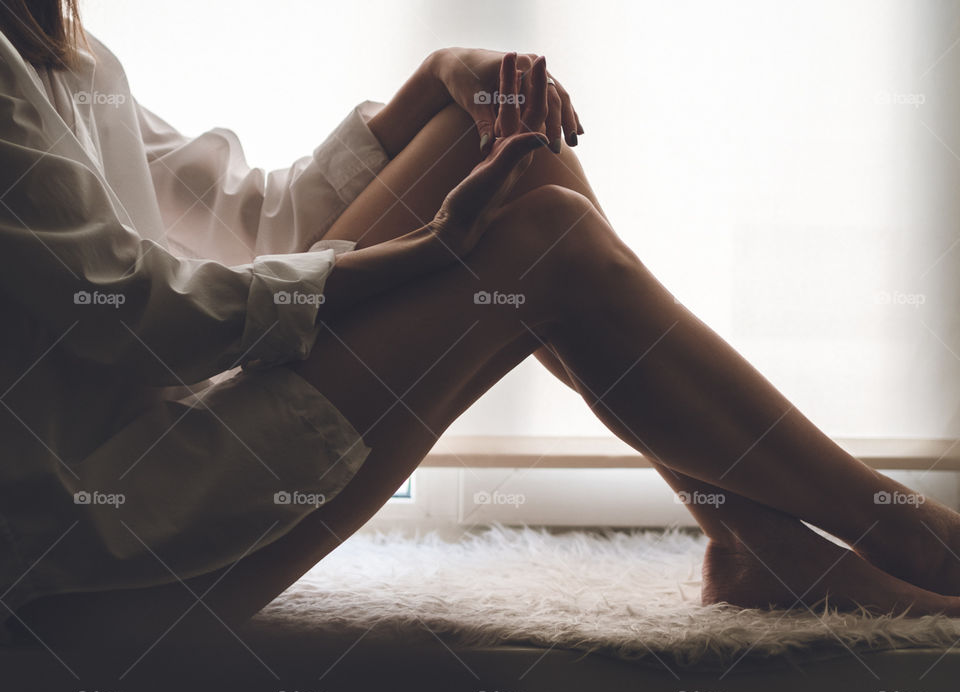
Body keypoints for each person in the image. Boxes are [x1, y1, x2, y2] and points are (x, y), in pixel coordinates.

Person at [1, 0, 958, 649]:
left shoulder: (64, 47)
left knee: (501, 144)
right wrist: (429, 252)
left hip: (148, 472)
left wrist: (436, 79)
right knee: (545, 240)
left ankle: (757, 541)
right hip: (91, 566)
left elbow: (249, 221)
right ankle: (894, 526)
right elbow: (136, 312)